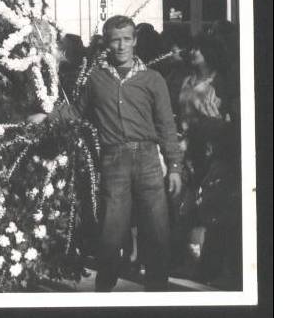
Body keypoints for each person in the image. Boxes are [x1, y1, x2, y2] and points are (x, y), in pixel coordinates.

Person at [30, 15, 182, 291]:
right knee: (111, 231)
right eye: (115, 40)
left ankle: (158, 292)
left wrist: (174, 167)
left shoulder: (153, 79)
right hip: (114, 161)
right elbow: (75, 111)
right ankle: (104, 293)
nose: (121, 46)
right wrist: (46, 117)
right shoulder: (96, 81)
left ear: (135, 41)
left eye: (126, 39)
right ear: (107, 43)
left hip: (148, 160)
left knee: (157, 231)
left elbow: (167, 126)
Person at [177, 33, 240, 287]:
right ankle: (193, 260)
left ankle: (208, 265)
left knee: (207, 204)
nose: (193, 53)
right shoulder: (188, 80)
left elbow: (220, 119)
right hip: (186, 145)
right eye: (192, 48)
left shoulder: (219, 83)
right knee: (185, 204)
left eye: (199, 49)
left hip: (209, 147)